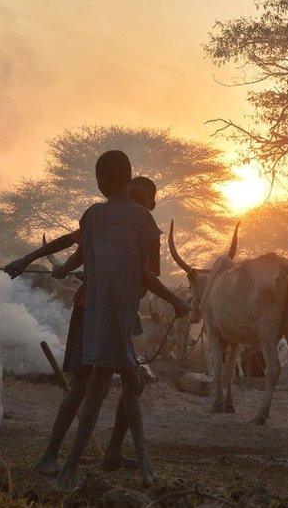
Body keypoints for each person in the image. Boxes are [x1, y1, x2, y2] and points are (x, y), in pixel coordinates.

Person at [3, 174, 176, 477]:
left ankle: (80, 455)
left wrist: (47, 264)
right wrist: (37, 262)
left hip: (104, 312)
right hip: (100, 313)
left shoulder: (119, 221)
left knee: (104, 384)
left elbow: (134, 277)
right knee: (99, 384)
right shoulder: (133, 225)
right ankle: (66, 456)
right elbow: (74, 246)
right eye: (138, 199)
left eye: (143, 201)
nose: (142, 205)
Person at [56, 151, 188, 490]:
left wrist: (59, 269)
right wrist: (177, 301)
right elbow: (146, 274)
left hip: (98, 318)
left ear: (100, 182)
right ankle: (138, 466)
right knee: (120, 390)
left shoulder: (93, 216)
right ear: (128, 181)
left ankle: (77, 469)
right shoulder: (142, 221)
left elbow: (79, 258)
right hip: (121, 317)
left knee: (111, 390)